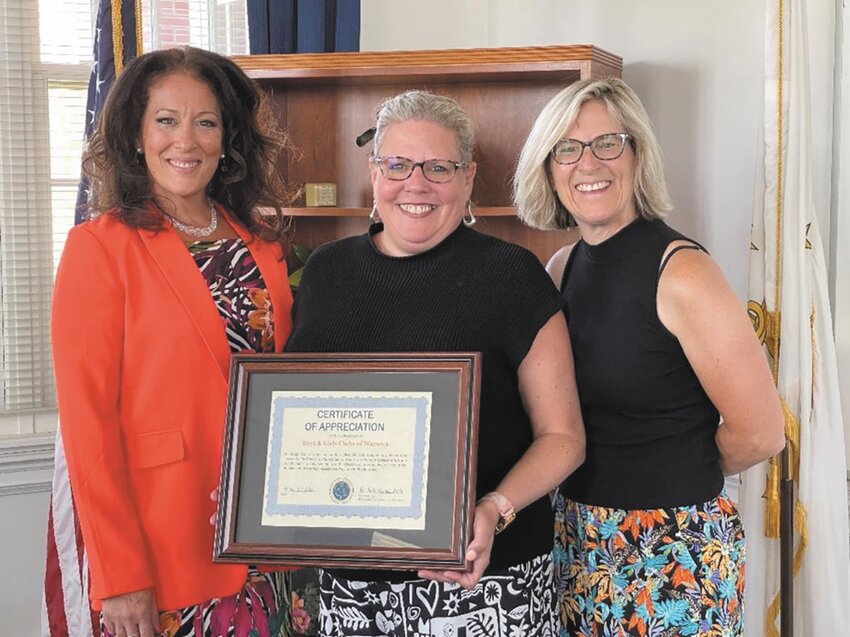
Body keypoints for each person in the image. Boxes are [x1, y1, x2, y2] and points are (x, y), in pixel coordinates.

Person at [284, 89, 586, 636]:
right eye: (397, 164)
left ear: (468, 178)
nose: (415, 184)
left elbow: (563, 437)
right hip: (352, 587)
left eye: (438, 167)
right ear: (374, 172)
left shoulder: (512, 276)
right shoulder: (327, 272)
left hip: (484, 582)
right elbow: (297, 415)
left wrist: (494, 509)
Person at [514, 77, 786, 636]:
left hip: (672, 550)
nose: (587, 163)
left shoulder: (683, 271)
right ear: (548, 168)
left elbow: (761, 433)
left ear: (638, 153)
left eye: (607, 143)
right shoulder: (561, 268)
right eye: (567, 148)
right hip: (577, 539)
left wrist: (670, 470)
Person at [51, 46, 296, 637]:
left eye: (205, 122)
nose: (185, 140)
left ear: (226, 137)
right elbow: (89, 430)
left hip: (270, 547)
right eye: (166, 120)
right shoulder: (99, 249)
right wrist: (118, 573)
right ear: (136, 134)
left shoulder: (261, 244)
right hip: (165, 556)